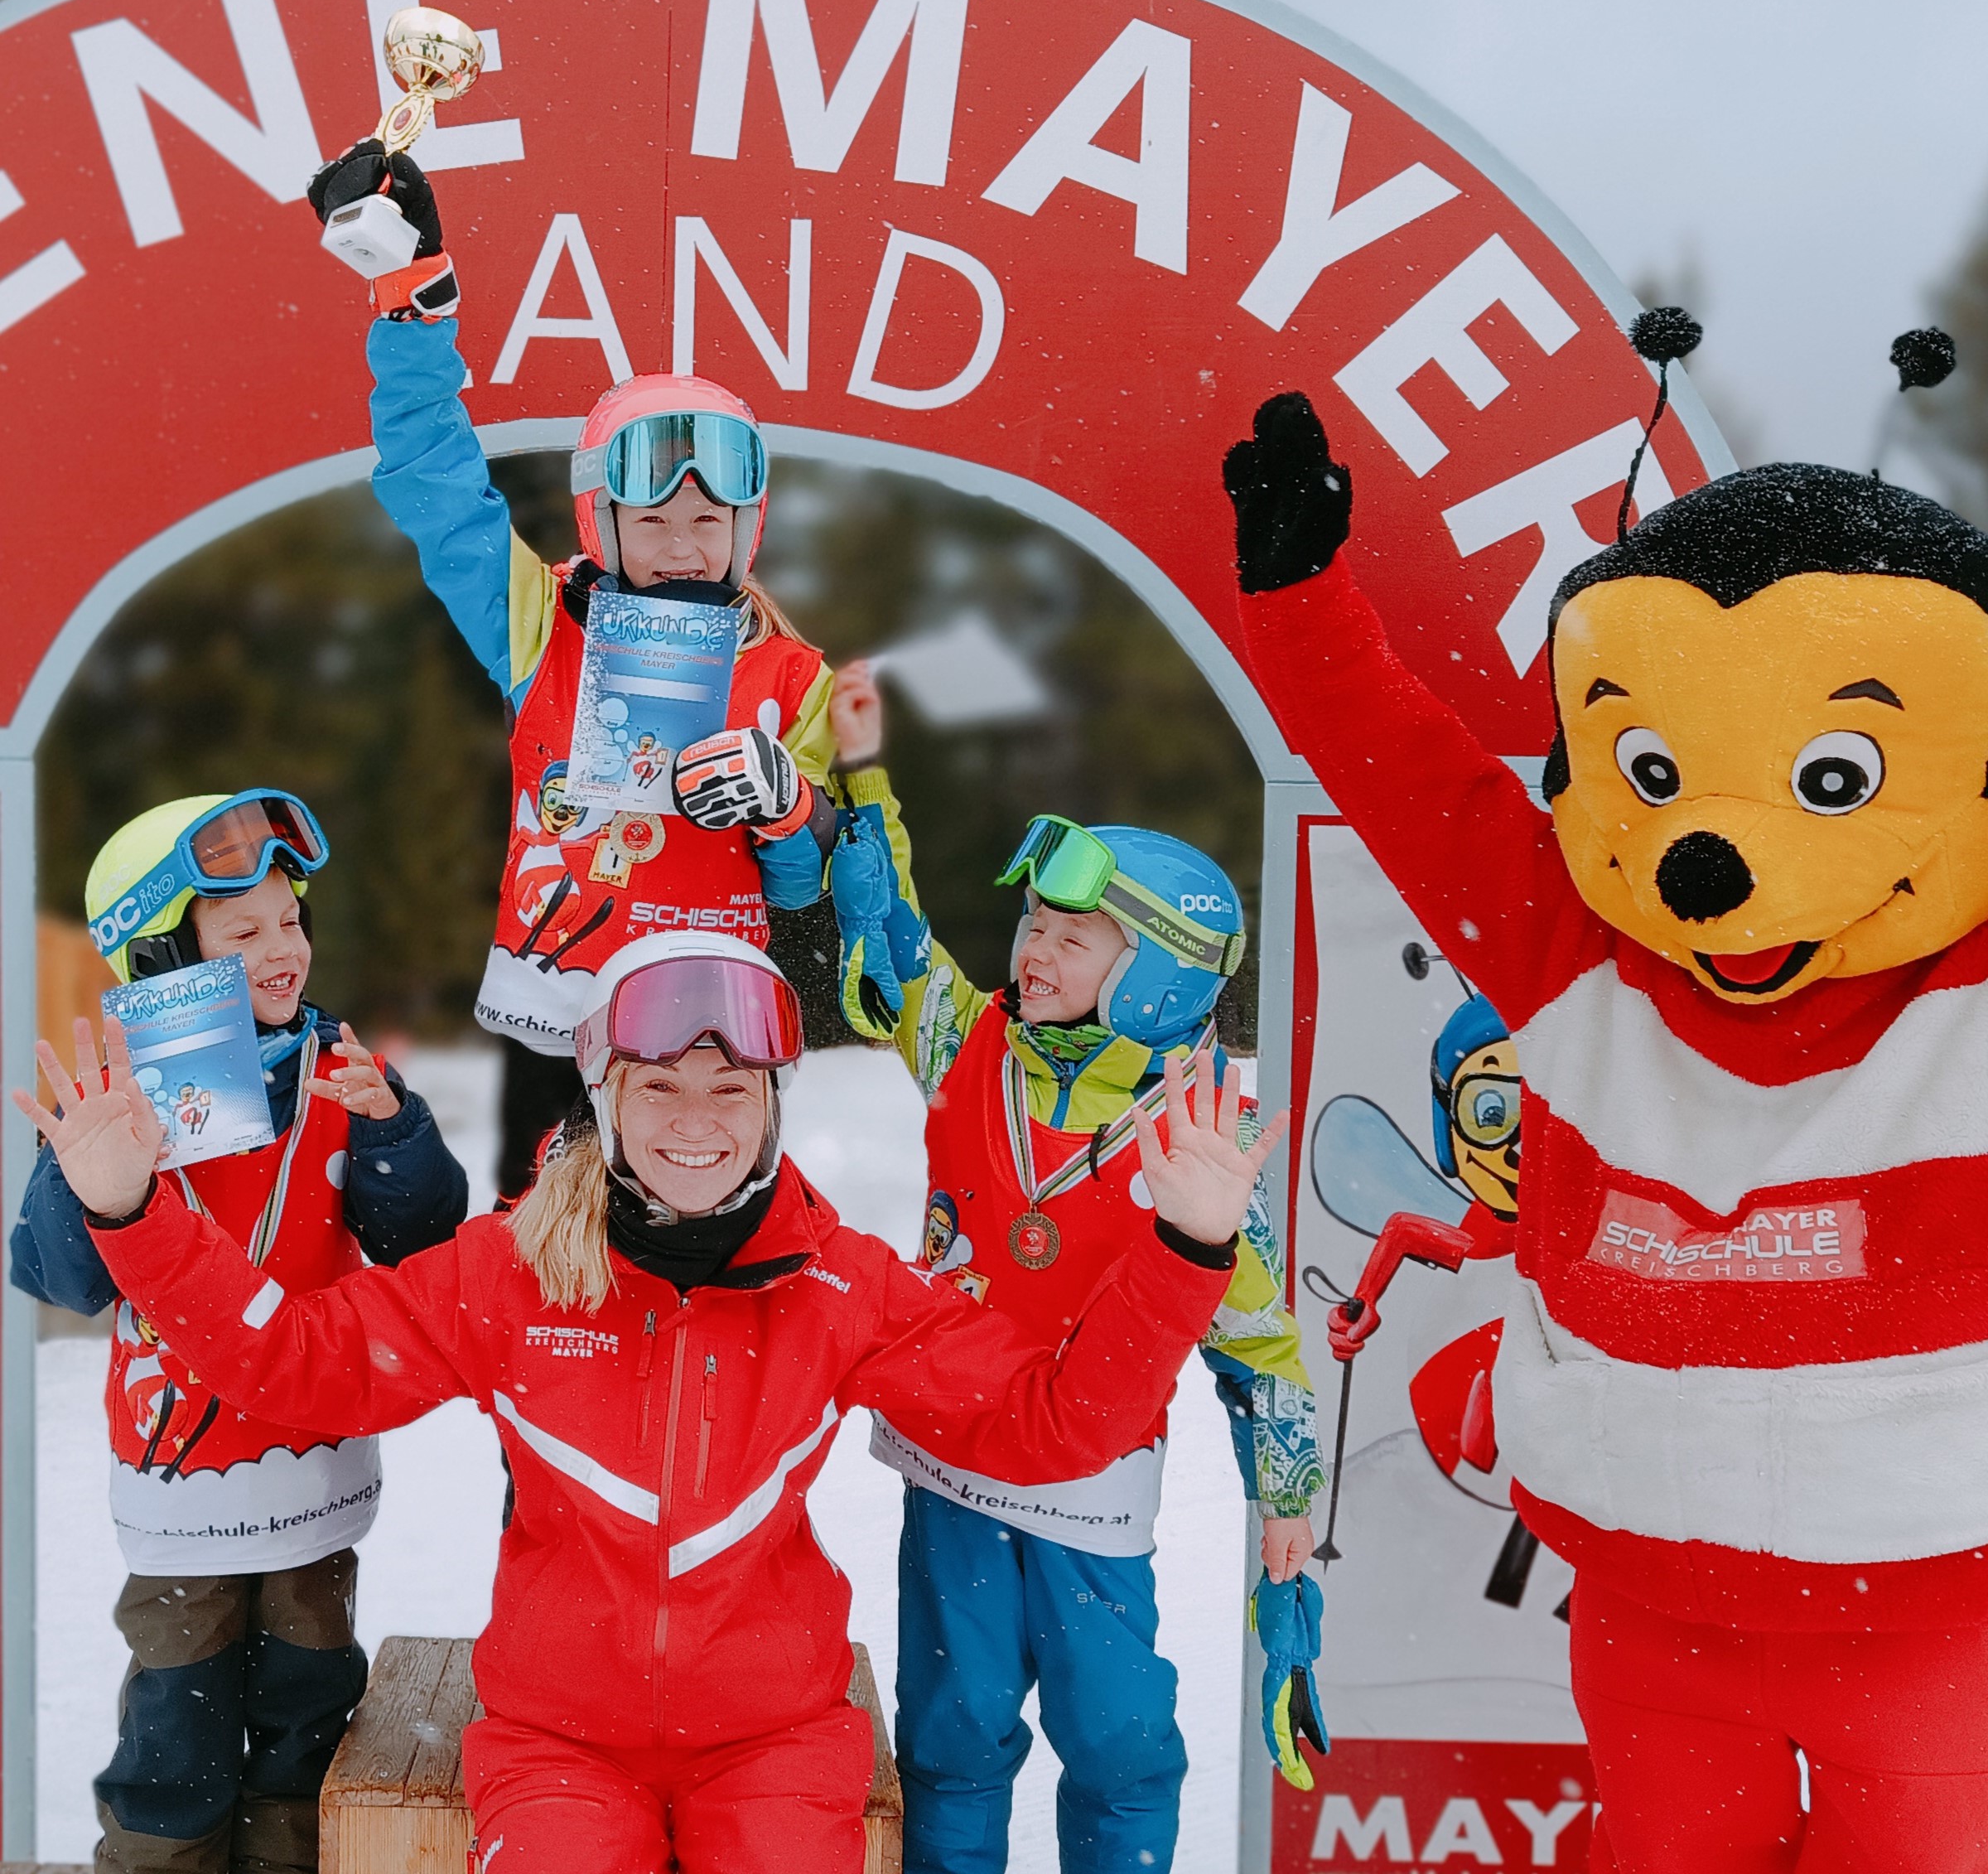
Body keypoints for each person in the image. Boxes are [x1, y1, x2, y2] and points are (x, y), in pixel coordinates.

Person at [16, 932, 1282, 1874]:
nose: (697, 1123)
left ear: (775, 1108)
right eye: (659, 1087)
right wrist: (133, 1215)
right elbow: (294, 1365)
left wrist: (1183, 1254)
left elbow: (1053, 1428)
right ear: (604, 1103)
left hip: (777, 1741)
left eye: (732, 1090)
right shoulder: (509, 1272)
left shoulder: (839, 1283)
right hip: (562, 1743)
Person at [1224, 365, 1988, 1872]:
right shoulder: (1579, 960)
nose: (1715, 861)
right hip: (1651, 1630)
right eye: (1657, 774)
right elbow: (1409, 780)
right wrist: (1300, 598)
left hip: (1928, 1624)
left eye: (1831, 780)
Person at [825, 665, 1325, 1873]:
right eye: (1034, 924)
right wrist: (864, 778)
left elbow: (1261, 1346)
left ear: (1158, 971)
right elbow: (891, 926)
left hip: (1094, 1491)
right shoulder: (969, 1041)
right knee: (954, 1735)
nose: (1034, 949)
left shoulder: (1192, 1135)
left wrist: (1289, 1509)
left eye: (1072, 935)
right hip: (953, 1458)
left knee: (1119, 1739)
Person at [305, 142, 838, 1200]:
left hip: (710, 1027)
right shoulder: (546, 626)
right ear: (603, 523)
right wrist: (413, 304)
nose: (684, 544)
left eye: (708, 520)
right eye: (654, 519)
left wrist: (786, 806)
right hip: (562, 1003)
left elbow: (807, 882)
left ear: (748, 529)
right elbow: (435, 489)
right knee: (543, 1259)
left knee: (699, 1233)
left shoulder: (789, 673)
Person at [11, 791, 469, 1874]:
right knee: (178, 1732)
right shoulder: (118, 1091)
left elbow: (423, 1238)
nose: (284, 949)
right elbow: (58, 1279)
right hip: (182, 1481)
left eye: (291, 921)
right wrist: (93, 1166)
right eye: (245, 930)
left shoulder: (336, 1063)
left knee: (307, 1717)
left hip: (311, 1469)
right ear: (167, 951)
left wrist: (393, 1129)